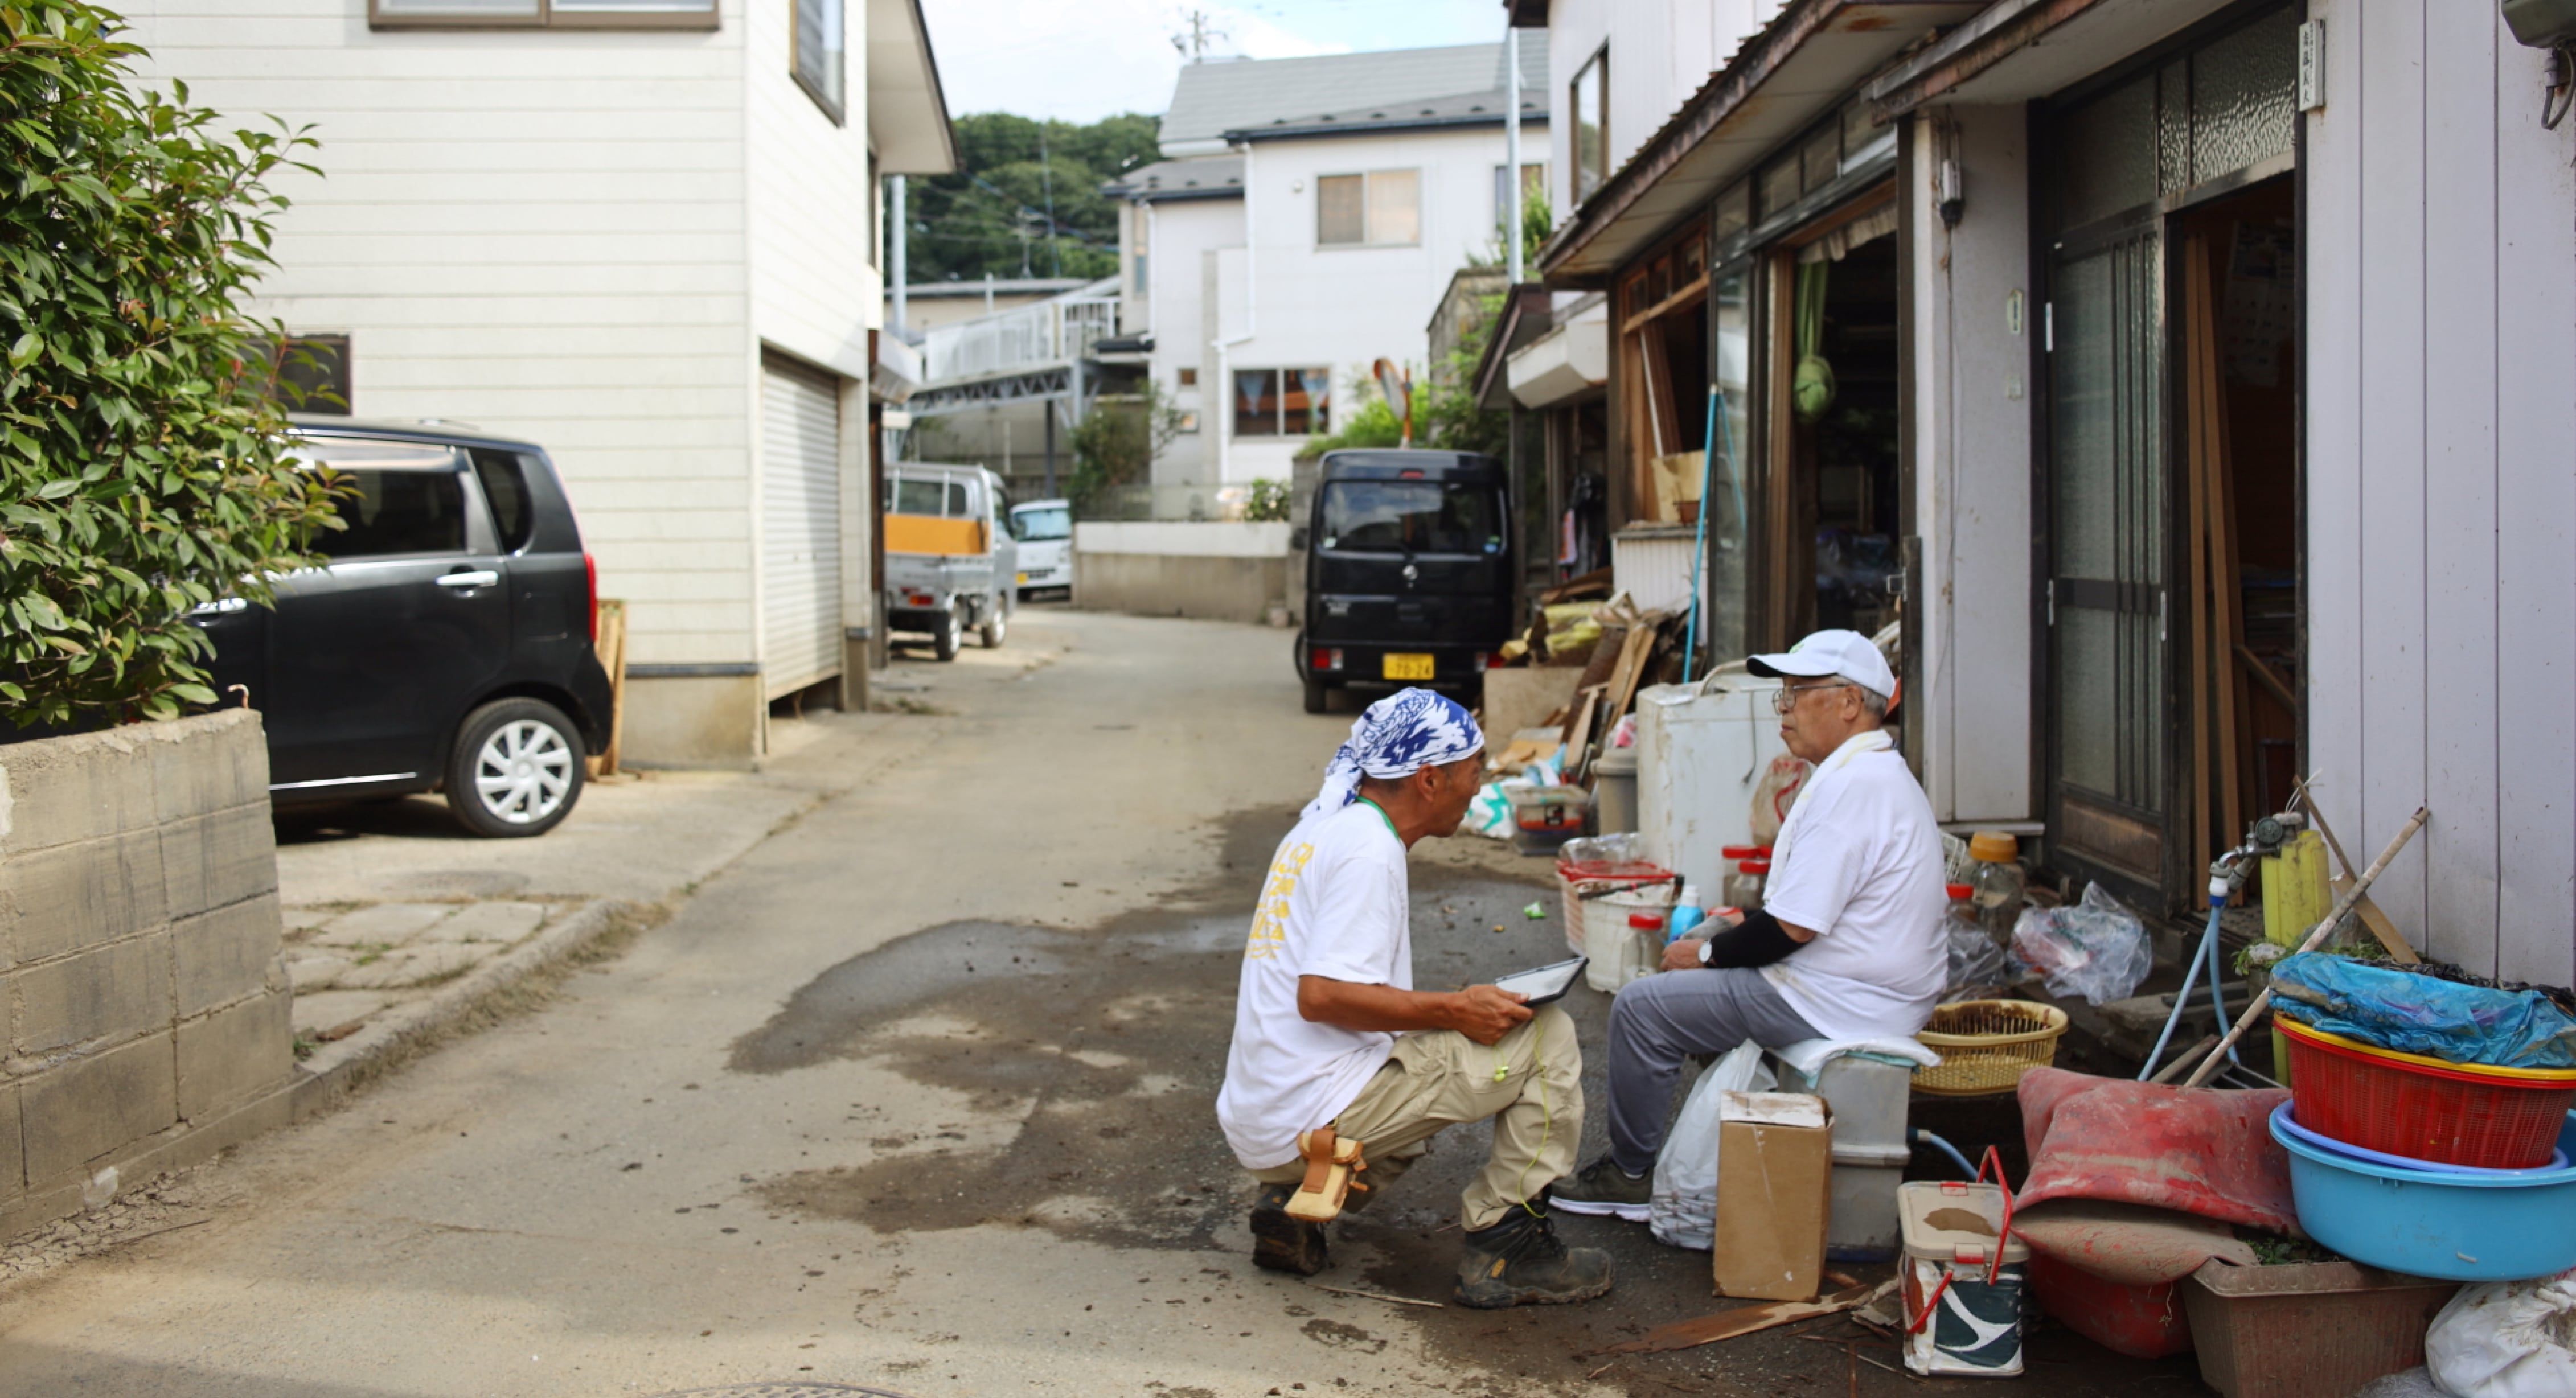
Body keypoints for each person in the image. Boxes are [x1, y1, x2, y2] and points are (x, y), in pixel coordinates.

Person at [1216, 688, 1613, 1309]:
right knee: (1547, 1034)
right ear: (1430, 778)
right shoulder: (1368, 848)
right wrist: (1454, 1010)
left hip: (1261, 1114)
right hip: (1309, 1111)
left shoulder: (1324, 824)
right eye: (1475, 772)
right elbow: (1320, 995)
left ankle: (1296, 1204)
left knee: (1423, 1063)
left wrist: (1445, 1013)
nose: (1479, 788)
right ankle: (1508, 1246)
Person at [1550, 630, 1947, 1221]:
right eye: (1781, 696)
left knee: (1643, 1005)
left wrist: (1707, 956)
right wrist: (1733, 926)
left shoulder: (1854, 786)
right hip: (1855, 986)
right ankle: (1717, 1144)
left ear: (1847, 702)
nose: (1782, 710)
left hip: (1840, 999)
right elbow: (1807, 912)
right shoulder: (1869, 774)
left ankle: (1631, 1172)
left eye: (1795, 694)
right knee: (1708, 944)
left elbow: (1791, 931)